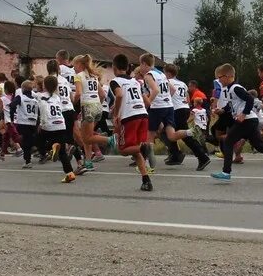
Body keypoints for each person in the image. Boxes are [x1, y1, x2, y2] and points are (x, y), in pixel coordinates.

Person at [210, 63, 263, 183]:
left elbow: (249, 99)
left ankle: (226, 172)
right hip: (251, 120)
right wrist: (222, 110)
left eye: (220, 77)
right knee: (259, 144)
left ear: (228, 76)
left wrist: (243, 114)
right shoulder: (229, 89)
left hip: (247, 120)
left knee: (228, 141)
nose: (219, 80)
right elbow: (231, 105)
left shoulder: (235, 87)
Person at [137, 53, 211, 171]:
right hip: (169, 107)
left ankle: (146, 165)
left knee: (149, 137)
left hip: (158, 107)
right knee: (171, 136)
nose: (140, 68)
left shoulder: (148, 75)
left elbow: (155, 90)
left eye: (140, 64)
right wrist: (166, 98)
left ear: (144, 64)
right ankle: (190, 131)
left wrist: (149, 103)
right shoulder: (161, 74)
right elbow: (171, 89)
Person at [109, 54, 153, 191]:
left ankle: (145, 148)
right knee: (135, 151)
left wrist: (116, 113)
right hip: (142, 114)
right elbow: (147, 101)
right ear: (128, 67)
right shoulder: (136, 82)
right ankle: (146, 180)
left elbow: (120, 95)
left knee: (123, 149)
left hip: (129, 117)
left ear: (114, 68)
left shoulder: (115, 81)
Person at [39, 75, 83, 183]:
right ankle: (69, 173)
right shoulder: (57, 97)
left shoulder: (40, 96)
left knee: (37, 141)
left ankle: (51, 148)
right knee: (62, 151)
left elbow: (41, 108)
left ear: (44, 85)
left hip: (49, 125)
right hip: (61, 124)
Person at [72, 54, 113, 170]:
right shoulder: (93, 76)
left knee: (87, 137)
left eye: (74, 65)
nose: (73, 68)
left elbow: (78, 93)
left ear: (79, 64)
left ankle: (109, 140)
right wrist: (97, 104)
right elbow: (102, 95)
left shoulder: (78, 76)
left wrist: (74, 103)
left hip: (87, 107)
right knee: (86, 135)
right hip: (97, 107)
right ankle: (88, 162)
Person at [9, 80, 40, 168]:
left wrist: (12, 117)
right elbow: (38, 112)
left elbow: (12, 105)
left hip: (23, 122)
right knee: (28, 140)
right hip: (33, 123)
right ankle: (29, 154)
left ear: (22, 89)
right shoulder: (35, 100)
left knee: (24, 141)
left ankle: (27, 160)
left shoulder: (20, 97)